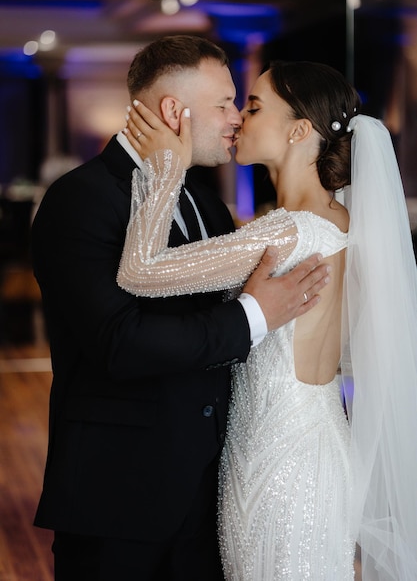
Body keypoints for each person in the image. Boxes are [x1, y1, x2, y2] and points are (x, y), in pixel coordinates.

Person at [31, 36, 330, 581]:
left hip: (215, 491)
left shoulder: (205, 200)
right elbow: (119, 342)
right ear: (174, 110)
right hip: (120, 497)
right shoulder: (81, 199)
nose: (235, 117)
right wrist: (253, 315)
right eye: (223, 103)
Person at [119, 59, 417, 579]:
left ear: (300, 130)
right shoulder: (339, 220)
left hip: (277, 462)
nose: (238, 119)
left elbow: (140, 272)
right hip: (317, 442)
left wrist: (166, 170)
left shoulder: (287, 232)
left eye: (253, 107)